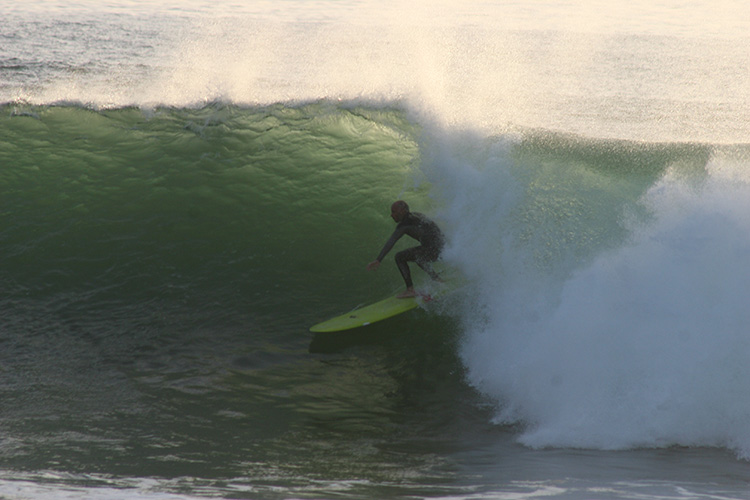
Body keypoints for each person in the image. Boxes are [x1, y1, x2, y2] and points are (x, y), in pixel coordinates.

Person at [366, 200, 445, 298]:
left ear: (402, 211)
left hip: (435, 250)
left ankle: (410, 290)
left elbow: (391, 241)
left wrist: (378, 260)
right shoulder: (417, 215)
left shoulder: (404, 225)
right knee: (418, 256)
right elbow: (435, 230)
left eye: (394, 212)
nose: (391, 215)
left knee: (399, 257)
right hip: (442, 248)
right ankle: (437, 279)